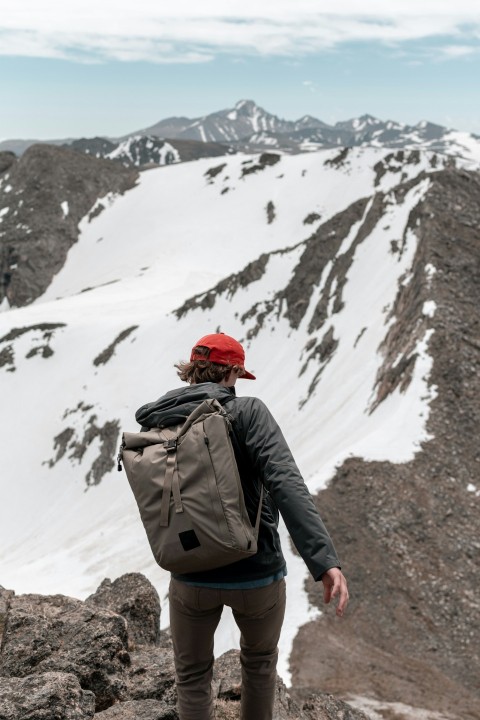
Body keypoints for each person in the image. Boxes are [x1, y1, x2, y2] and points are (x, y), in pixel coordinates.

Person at [135, 332, 349, 720]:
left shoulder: (159, 420)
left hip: (190, 573)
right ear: (232, 371)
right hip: (256, 572)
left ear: (192, 369)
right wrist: (325, 561)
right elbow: (286, 483)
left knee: (192, 675)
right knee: (260, 664)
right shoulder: (248, 412)